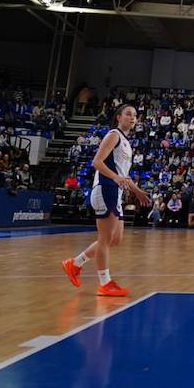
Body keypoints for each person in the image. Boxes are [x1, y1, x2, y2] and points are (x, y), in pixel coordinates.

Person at [62, 105, 151, 297]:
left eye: (135, 115)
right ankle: (105, 283)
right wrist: (115, 178)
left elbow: (123, 175)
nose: (133, 117)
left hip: (115, 190)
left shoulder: (127, 142)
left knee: (115, 239)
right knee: (104, 239)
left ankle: (75, 263)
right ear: (118, 117)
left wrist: (137, 191)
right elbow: (97, 162)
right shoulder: (114, 135)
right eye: (128, 114)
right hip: (105, 188)